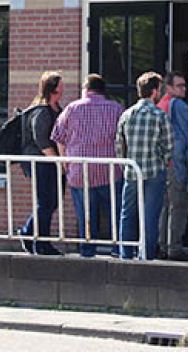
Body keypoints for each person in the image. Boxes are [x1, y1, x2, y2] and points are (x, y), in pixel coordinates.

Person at [51, 73, 124, 258]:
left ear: (86, 89)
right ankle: (118, 249)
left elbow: (58, 137)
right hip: (110, 171)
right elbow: (124, 138)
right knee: (115, 214)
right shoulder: (116, 109)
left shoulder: (71, 108)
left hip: (79, 172)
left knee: (86, 216)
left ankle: (87, 252)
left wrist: (65, 161)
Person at [115, 71, 171, 260]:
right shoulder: (160, 115)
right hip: (154, 171)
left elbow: (119, 145)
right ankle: (146, 256)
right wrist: (161, 162)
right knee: (150, 216)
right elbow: (169, 145)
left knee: (127, 214)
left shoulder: (126, 115)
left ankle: (126, 253)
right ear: (155, 91)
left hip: (131, 171)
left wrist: (126, 166)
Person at [18, 71, 63, 255]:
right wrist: (58, 161)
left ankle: (28, 233)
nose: (63, 87)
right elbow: (41, 139)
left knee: (51, 202)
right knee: (45, 202)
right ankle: (41, 243)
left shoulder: (56, 108)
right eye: (60, 84)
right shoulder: (41, 111)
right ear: (53, 87)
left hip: (51, 162)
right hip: (41, 162)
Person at [158, 71, 188, 260]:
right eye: (179, 86)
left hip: (162, 164)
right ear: (169, 87)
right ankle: (174, 247)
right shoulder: (180, 106)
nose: (184, 89)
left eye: (184, 85)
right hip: (177, 165)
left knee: (165, 207)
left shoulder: (160, 105)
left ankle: (162, 244)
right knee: (179, 206)